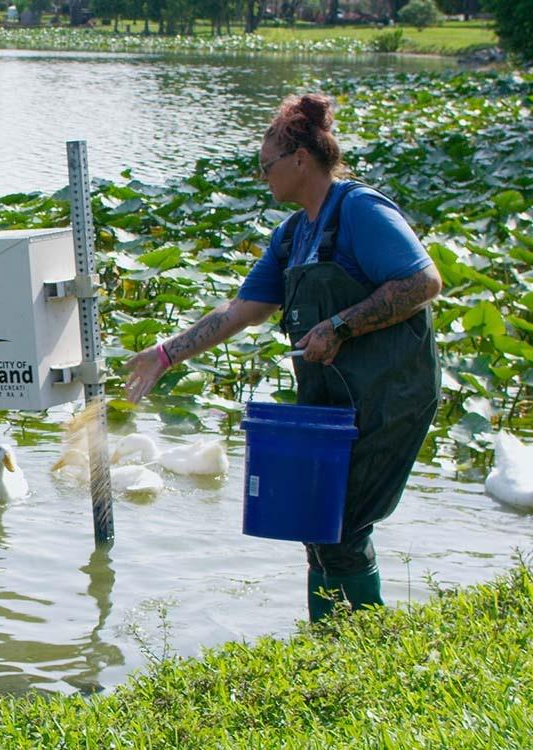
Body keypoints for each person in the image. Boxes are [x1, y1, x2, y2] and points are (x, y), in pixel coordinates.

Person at [124, 93, 442, 622]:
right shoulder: (292, 235)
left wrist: (342, 324)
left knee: (344, 521)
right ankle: (333, 640)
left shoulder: (359, 210)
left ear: (300, 159)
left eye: (266, 166)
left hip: (392, 390)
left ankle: (362, 640)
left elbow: (423, 282)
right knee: (316, 520)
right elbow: (242, 311)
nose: (263, 177)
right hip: (334, 398)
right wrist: (165, 354)